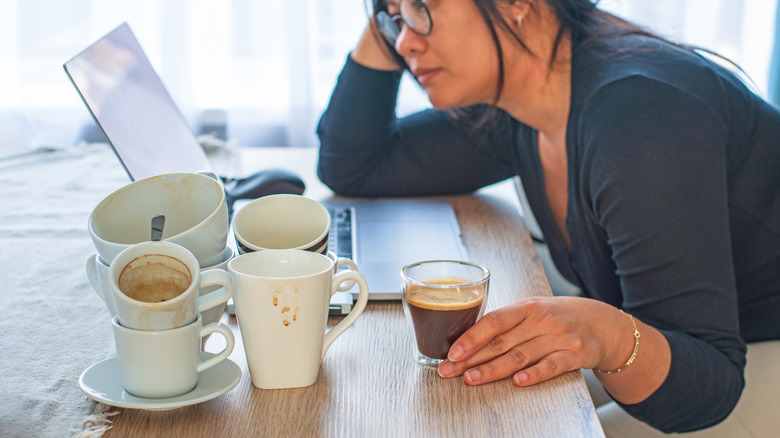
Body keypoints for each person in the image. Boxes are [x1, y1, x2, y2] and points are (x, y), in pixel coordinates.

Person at [316, 0, 780, 435]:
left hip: (745, 361)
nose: (403, 43)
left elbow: (709, 387)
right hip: (689, 353)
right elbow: (355, 163)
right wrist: (390, 16)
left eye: (423, 6)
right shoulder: (523, 106)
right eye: (394, 19)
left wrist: (609, 336)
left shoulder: (638, 115)